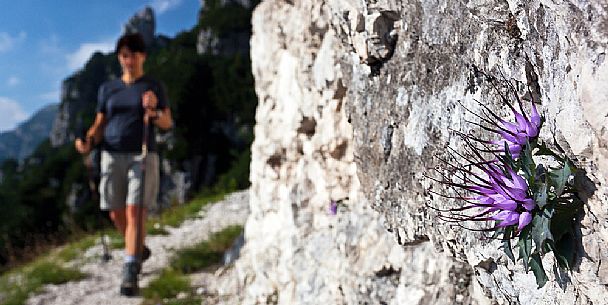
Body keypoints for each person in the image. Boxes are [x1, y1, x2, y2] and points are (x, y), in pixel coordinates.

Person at [75, 32, 173, 296]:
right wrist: (89, 140)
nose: (129, 60)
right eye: (124, 55)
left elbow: (167, 122)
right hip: (111, 154)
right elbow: (100, 122)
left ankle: (131, 269)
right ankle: (138, 248)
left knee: (134, 212)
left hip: (142, 154)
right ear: (120, 58)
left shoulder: (152, 86)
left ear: (143, 56)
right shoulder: (108, 89)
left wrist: (153, 112)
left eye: (134, 54)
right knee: (115, 212)